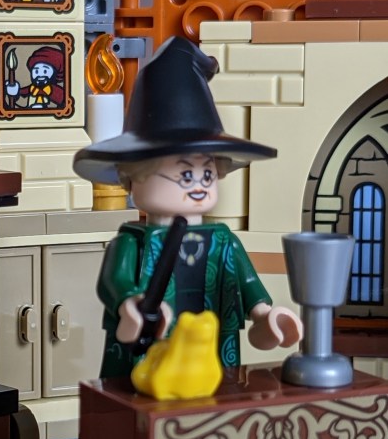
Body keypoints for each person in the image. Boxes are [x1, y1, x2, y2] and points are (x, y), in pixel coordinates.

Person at [73, 37, 302, 377]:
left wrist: (265, 316)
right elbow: (113, 280)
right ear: (132, 177)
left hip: (213, 355)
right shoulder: (132, 242)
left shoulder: (223, 241)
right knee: (145, 396)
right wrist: (130, 303)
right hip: (150, 355)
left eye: (207, 173)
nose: (198, 184)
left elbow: (244, 282)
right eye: (184, 174)